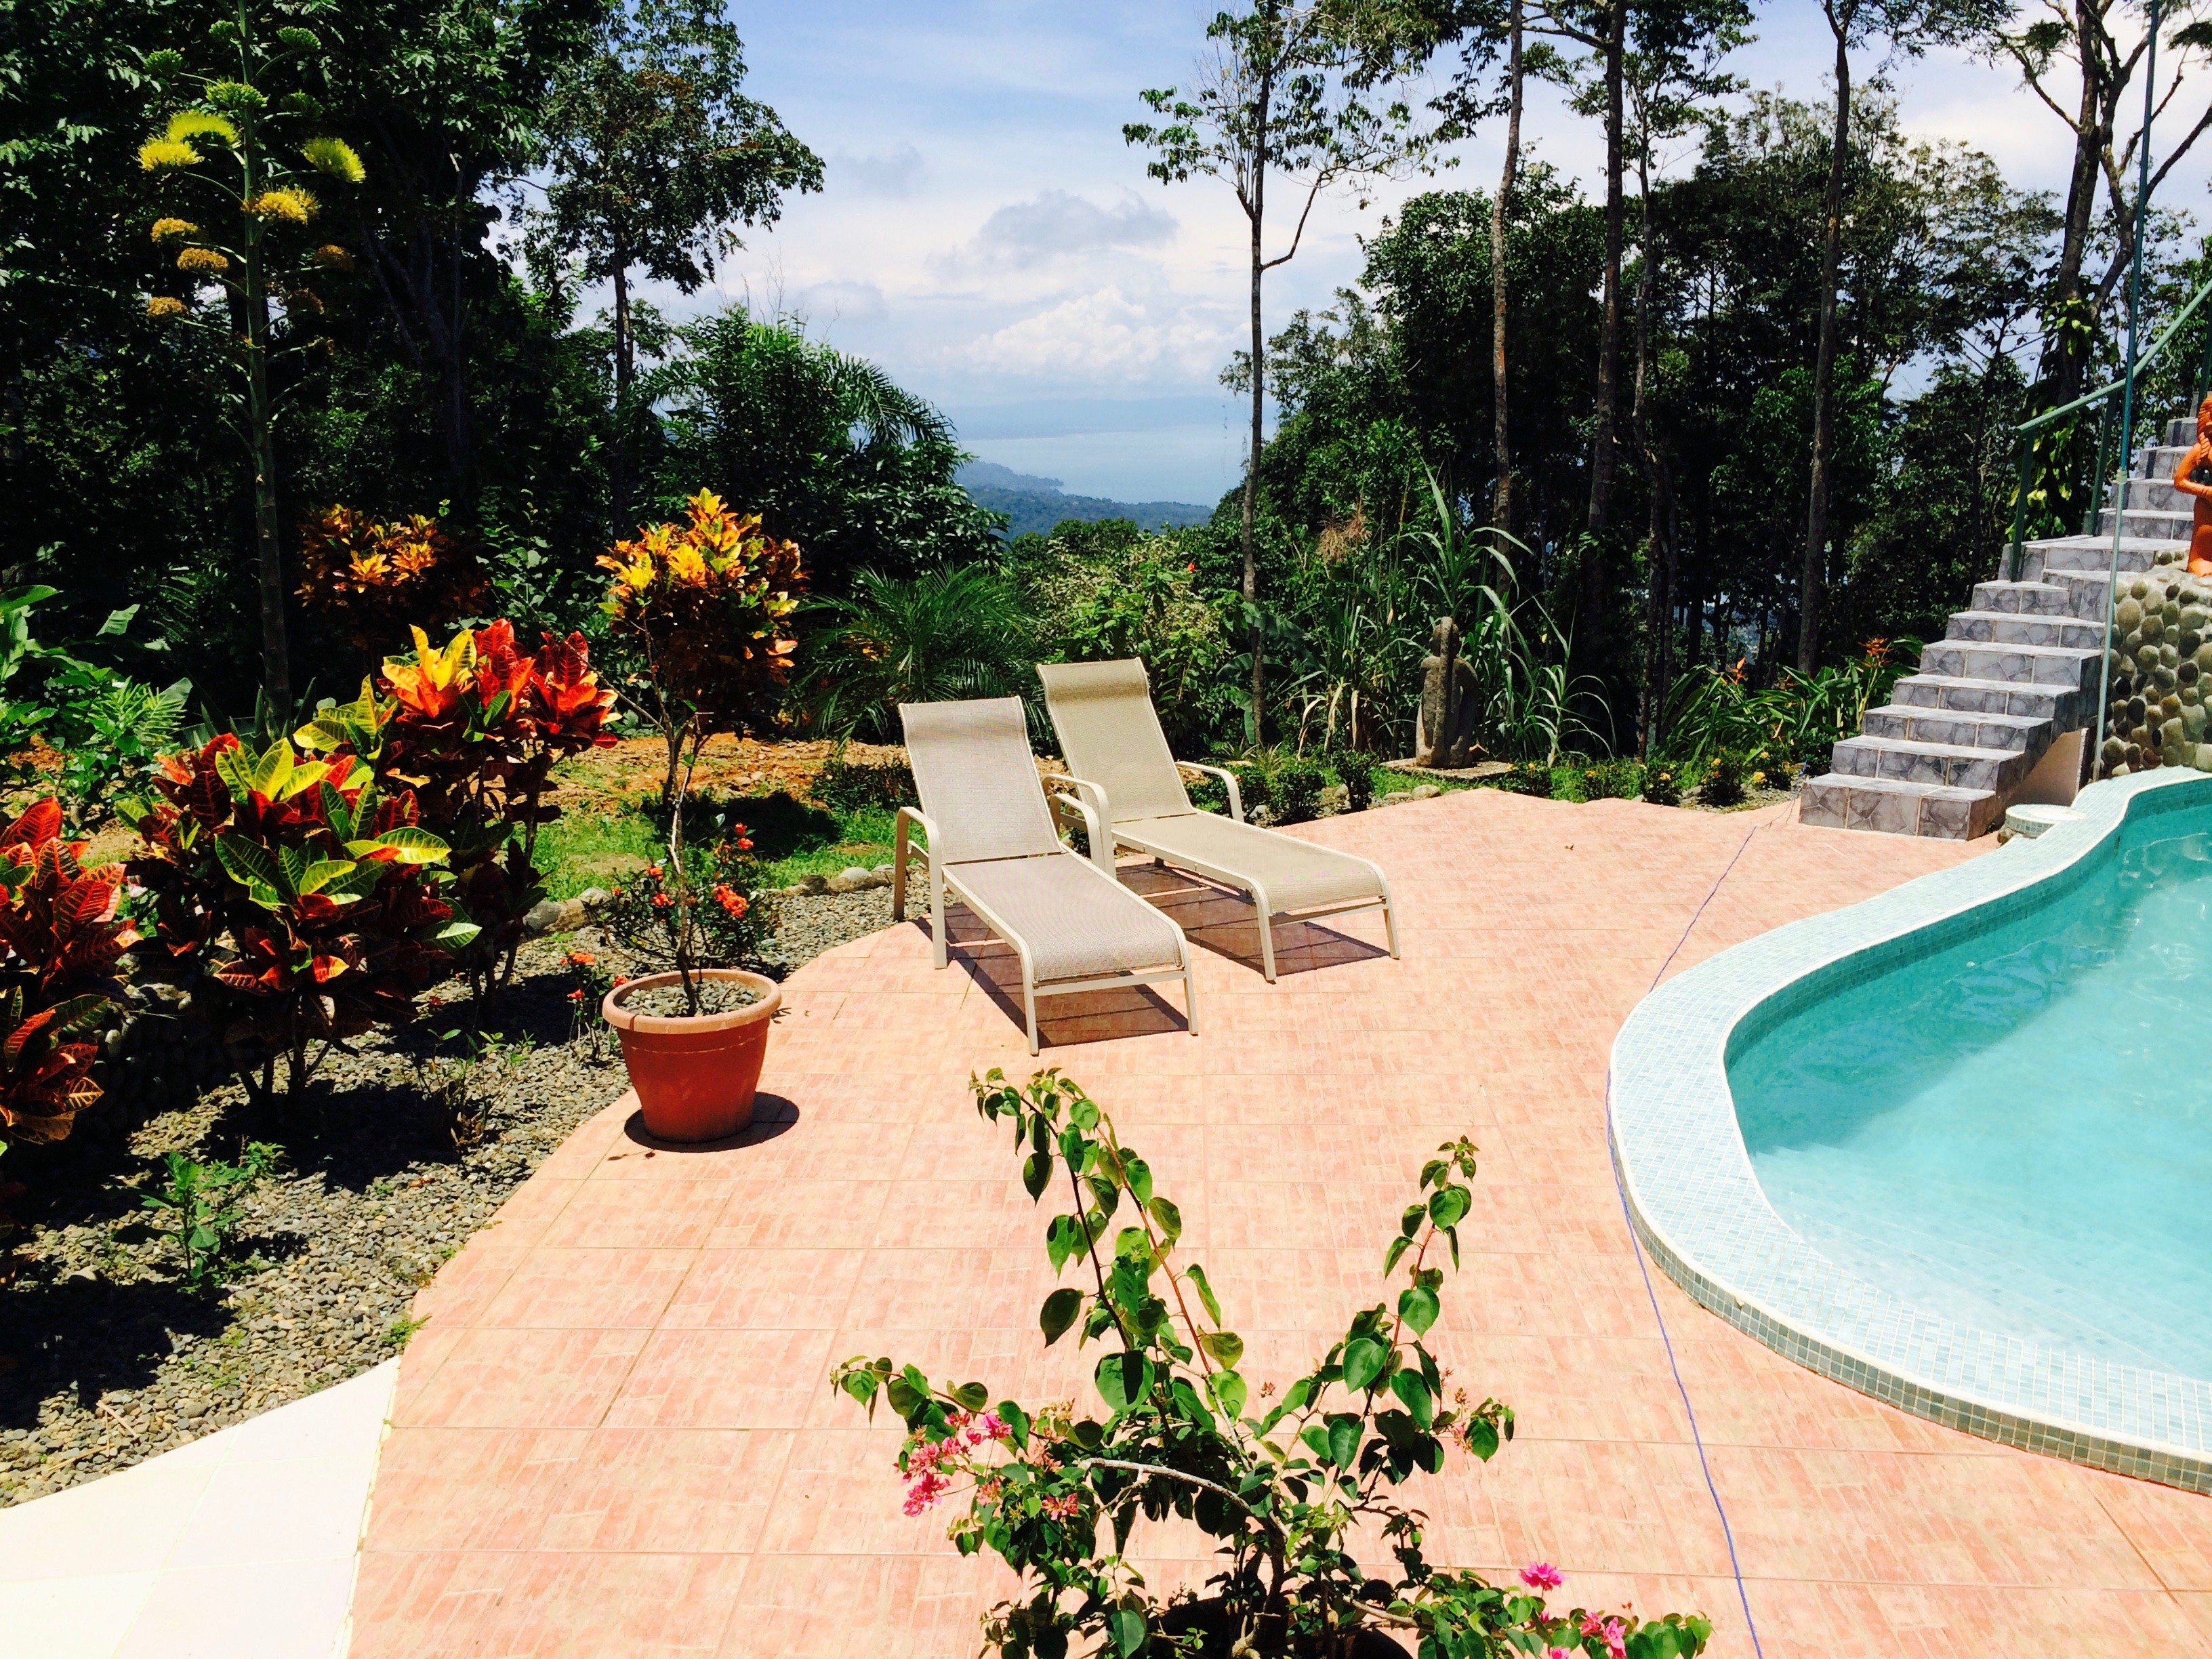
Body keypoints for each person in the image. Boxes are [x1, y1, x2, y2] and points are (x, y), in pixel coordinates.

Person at [2171, 392, 2212, 577]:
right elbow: (2180, 481)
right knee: (2205, 532)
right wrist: (2206, 491)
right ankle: (2200, 559)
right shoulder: (2201, 451)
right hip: (2207, 505)